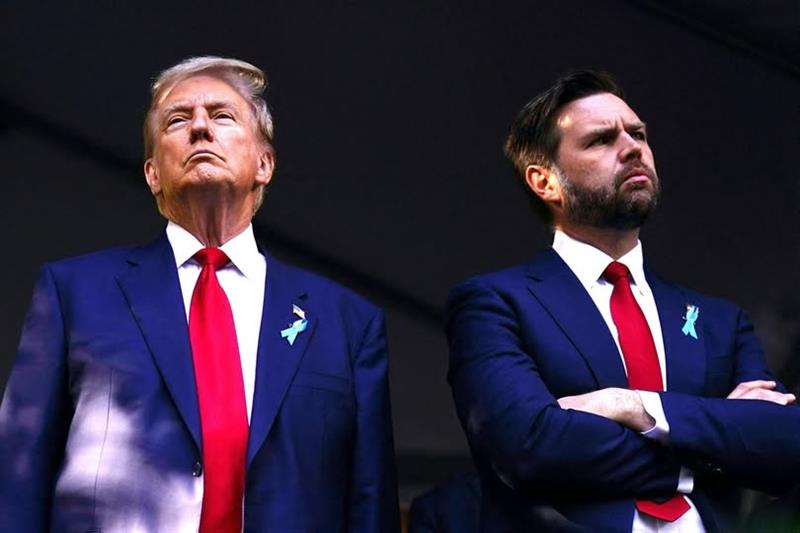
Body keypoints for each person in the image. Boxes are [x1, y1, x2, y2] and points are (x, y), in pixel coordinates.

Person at [0, 56, 399, 532]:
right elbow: (17, 479)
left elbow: (370, 502)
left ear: (265, 164)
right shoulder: (73, 294)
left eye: (222, 115)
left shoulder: (347, 322)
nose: (200, 128)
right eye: (177, 120)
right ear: (152, 174)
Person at [445, 70, 800, 532]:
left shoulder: (720, 321)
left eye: (638, 134)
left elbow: (785, 445)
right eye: (600, 140)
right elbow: (527, 448)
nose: (632, 148)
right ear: (544, 181)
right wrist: (716, 441)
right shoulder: (494, 303)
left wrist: (634, 406)